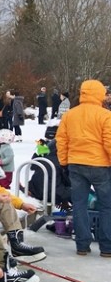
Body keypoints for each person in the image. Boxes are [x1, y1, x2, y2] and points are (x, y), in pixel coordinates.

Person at [55, 79, 111, 257]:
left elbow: (61, 140)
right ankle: (107, 247)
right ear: (100, 94)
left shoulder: (70, 115)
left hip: (76, 164)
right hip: (100, 165)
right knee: (106, 206)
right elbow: (109, 142)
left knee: (79, 205)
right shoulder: (106, 115)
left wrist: (64, 161)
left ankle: (82, 245)